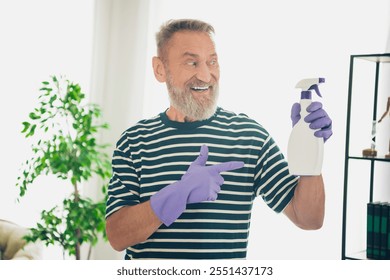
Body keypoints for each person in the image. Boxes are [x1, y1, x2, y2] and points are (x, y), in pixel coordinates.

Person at [105, 19, 332, 260]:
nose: (205, 75)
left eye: (212, 62)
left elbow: (309, 219)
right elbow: (118, 236)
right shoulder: (135, 140)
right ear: (160, 69)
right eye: (192, 62)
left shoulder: (249, 136)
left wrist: (310, 149)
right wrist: (178, 194)